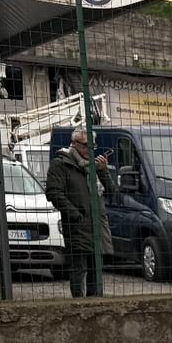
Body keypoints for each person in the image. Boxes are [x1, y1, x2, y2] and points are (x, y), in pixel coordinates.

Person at [45, 127, 115, 297]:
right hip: (77, 225)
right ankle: (79, 303)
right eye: (85, 146)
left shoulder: (94, 166)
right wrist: (75, 214)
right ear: (74, 144)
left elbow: (112, 192)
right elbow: (53, 192)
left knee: (96, 268)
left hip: (97, 224)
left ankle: (94, 302)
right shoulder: (61, 164)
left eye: (92, 146)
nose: (89, 150)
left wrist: (103, 171)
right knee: (79, 268)